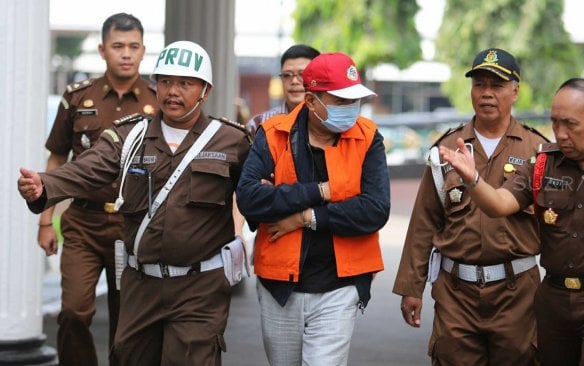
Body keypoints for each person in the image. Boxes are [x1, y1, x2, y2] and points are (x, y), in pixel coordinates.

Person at [18, 40, 250, 365]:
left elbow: (257, 195)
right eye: (166, 81)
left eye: (185, 83)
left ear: (205, 90)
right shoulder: (130, 136)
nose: (173, 91)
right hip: (141, 284)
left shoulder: (232, 141)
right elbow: (89, 167)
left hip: (199, 288)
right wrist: (45, 185)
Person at [439, 77, 584, 365]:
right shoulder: (543, 163)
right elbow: (500, 205)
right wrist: (474, 180)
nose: (560, 134)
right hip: (553, 300)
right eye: (554, 123)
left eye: (570, 124)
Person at [393, 48, 548, 365]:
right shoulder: (446, 149)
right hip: (456, 294)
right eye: (480, 84)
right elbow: (425, 222)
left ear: (515, 91)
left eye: (497, 85)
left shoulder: (539, 150)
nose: (487, 94)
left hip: (517, 293)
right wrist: (412, 287)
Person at [236, 52, 390, 366]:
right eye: (340, 101)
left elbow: (375, 209)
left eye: (354, 100)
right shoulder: (272, 135)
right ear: (310, 100)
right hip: (280, 286)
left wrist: (306, 217)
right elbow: (250, 198)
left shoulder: (368, 138)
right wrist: (322, 190)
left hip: (340, 285)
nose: (350, 109)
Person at [37, 13, 157, 366]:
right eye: (118, 46)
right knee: (74, 312)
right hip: (83, 225)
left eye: (134, 47)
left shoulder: (157, 101)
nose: (126, 54)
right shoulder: (77, 98)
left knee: (127, 323)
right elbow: (57, 158)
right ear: (103, 49)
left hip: (132, 228)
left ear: (143, 50)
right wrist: (46, 221)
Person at [245, 44, 320, 137]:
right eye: (287, 75)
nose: (294, 81)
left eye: (302, 74)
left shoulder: (331, 124)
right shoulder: (258, 124)